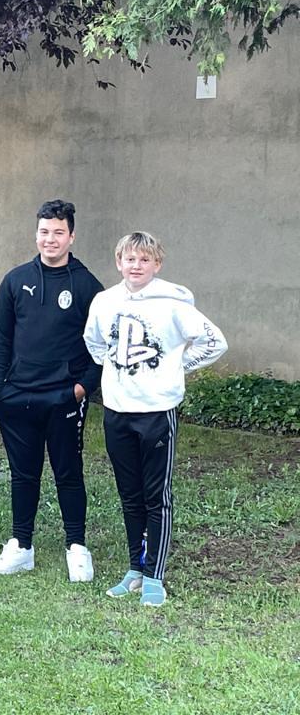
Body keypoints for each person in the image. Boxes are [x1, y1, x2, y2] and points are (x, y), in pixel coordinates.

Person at [84, 231, 227, 607]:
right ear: (119, 262)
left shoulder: (173, 303)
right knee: (129, 494)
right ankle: (136, 567)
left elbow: (214, 342)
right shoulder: (104, 301)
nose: (136, 266)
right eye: (129, 259)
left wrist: (175, 367)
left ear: (157, 264)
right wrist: (115, 370)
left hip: (156, 413)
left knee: (155, 496)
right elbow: (94, 341)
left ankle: (154, 575)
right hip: (117, 411)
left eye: (144, 260)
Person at [0, 200, 104, 581]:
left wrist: (82, 388)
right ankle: (21, 546)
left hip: (64, 398)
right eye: (44, 231)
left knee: (68, 472)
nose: (50, 239)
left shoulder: (86, 286)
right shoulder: (15, 280)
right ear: (36, 234)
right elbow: (2, 338)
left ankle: (77, 547)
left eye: (58, 232)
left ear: (72, 236)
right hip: (17, 396)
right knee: (24, 474)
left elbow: (102, 346)